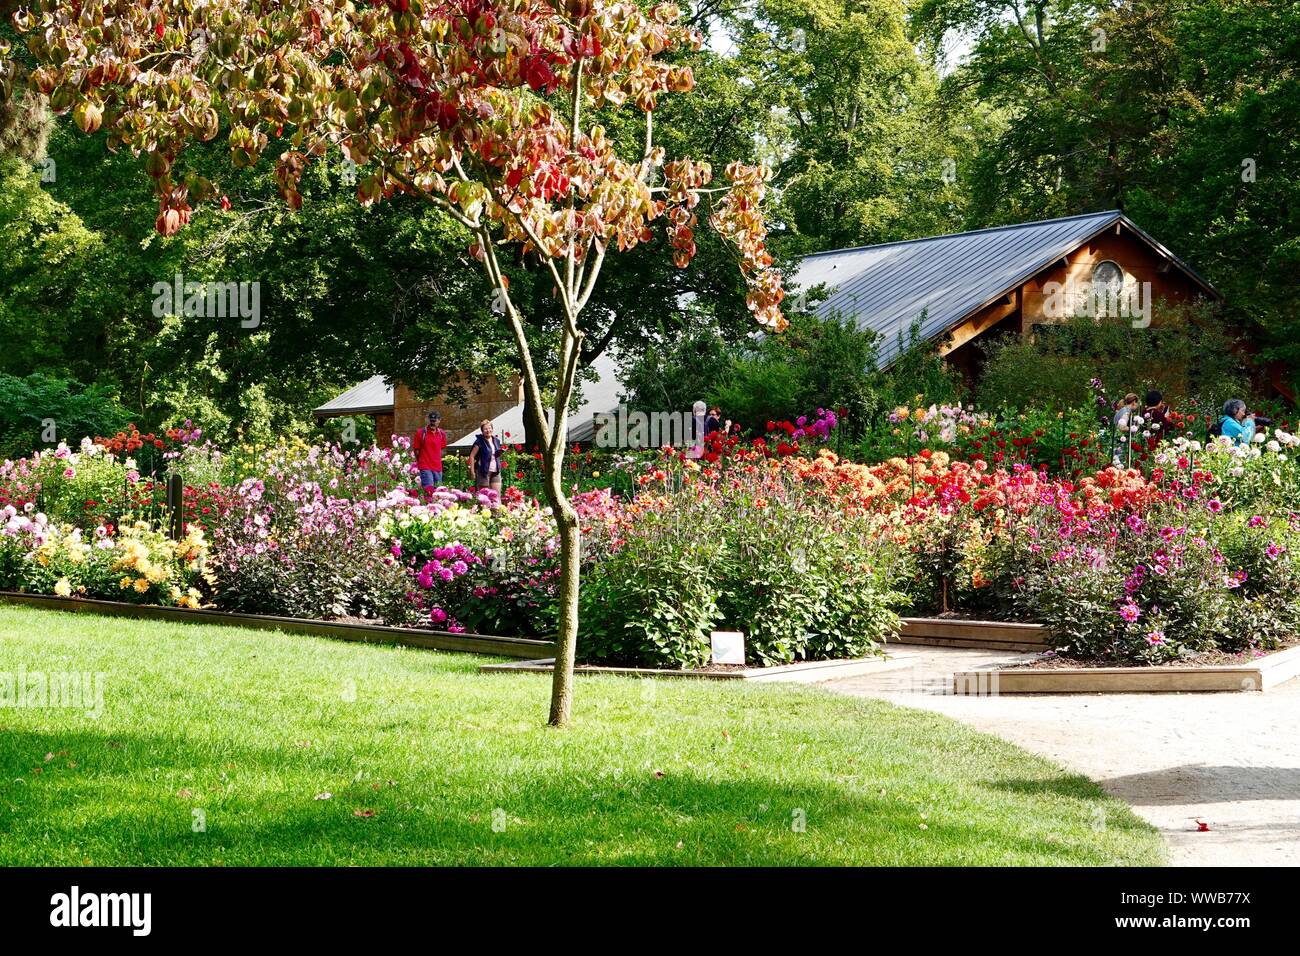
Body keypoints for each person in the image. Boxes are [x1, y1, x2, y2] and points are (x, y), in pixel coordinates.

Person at [412, 411, 447, 497]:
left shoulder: (441, 434)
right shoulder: (421, 433)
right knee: (429, 491)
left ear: (439, 421)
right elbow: (416, 450)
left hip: (437, 467)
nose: (432, 423)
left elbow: (442, 449)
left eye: (434, 421)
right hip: (425, 466)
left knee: (439, 492)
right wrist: (420, 461)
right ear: (428, 420)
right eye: (431, 421)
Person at [468, 418, 504, 496]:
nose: (488, 430)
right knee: (484, 496)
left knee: (496, 495)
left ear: (492, 429)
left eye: (489, 428)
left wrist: (500, 452)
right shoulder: (479, 441)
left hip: (496, 471)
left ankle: (497, 508)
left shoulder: (496, 441)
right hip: (483, 471)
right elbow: (472, 456)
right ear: (482, 431)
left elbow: (493, 454)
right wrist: (472, 471)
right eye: (485, 429)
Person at [1112, 393, 1140, 465]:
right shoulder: (1126, 412)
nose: (1137, 405)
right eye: (1137, 403)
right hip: (1120, 443)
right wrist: (1134, 428)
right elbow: (1121, 427)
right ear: (1133, 402)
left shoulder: (1121, 410)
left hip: (1115, 442)